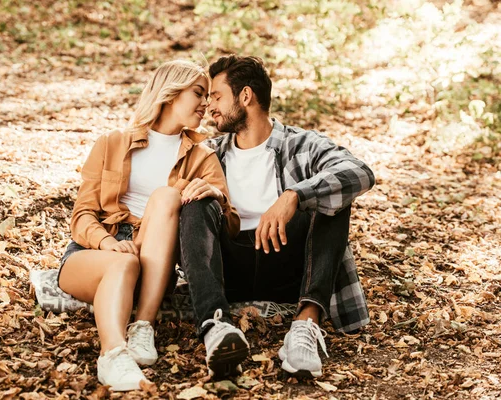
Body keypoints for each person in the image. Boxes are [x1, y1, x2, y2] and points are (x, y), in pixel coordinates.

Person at [178, 55, 375, 379]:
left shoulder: (301, 144)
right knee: (194, 199)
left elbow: (359, 172)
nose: (209, 106)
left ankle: (305, 328)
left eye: (216, 96)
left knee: (330, 199)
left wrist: (294, 196)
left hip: (286, 264)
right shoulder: (209, 152)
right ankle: (215, 325)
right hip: (228, 268)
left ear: (245, 96)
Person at [58, 60, 240, 391]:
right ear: (170, 93)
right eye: (198, 93)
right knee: (123, 262)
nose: (206, 104)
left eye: (209, 96)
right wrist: (107, 243)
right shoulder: (112, 142)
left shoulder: (203, 157)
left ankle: (144, 325)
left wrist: (215, 194)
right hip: (96, 253)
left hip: (155, 261)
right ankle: (113, 355)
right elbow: (82, 215)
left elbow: (225, 229)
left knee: (168, 196)